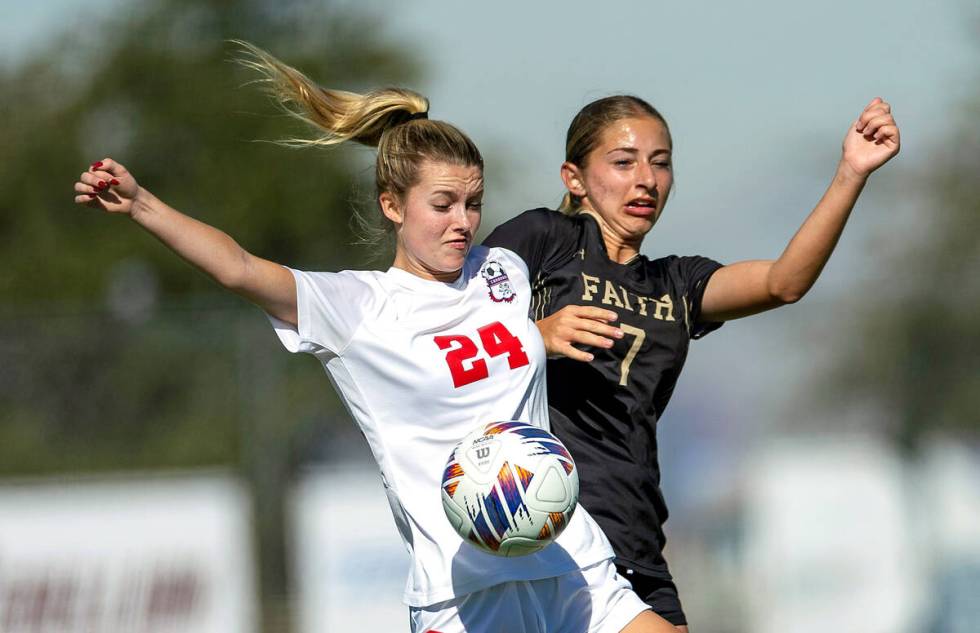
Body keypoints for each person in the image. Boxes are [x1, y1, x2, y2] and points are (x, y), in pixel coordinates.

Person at [72, 46, 685, 633]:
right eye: (442, 204)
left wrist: (548, 331)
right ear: (392, 204)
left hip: (570, 561)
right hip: (462, 592)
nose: (462, 222)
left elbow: (596, 255)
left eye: (472, 203)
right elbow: (238, 267)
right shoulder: (358, 307)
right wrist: (142, 204)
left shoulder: (503, 272)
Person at [484, 95, 901, 630]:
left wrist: (850, 173)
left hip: (637, 540)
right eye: (623, 161)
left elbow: (784, 282)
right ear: (575, 177)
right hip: (546, 531)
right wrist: (535, 336)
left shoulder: (677, 282)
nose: (646, 179)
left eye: (660, 162)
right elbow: (452, 330)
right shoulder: (543, 239)